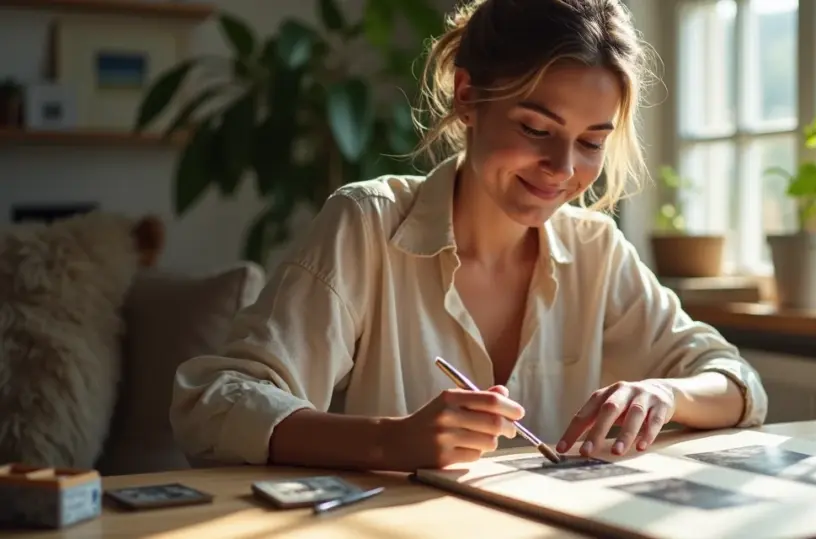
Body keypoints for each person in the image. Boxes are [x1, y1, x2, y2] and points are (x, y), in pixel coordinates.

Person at [169, 0, 768, 473]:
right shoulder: (368, 225)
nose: (563, 169)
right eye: (536, 128)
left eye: (590, 142)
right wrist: (389, 441)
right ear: (468, 96)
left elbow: (736, 383)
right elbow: (214, 402)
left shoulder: (597, 249)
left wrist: (667, 393)